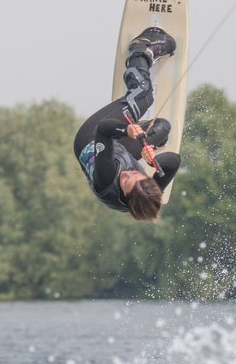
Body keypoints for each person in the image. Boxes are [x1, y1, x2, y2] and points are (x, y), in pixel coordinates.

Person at [73, 27, 181, 221]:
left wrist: (127, 130)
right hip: (120, 151)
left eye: (126, 181)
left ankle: (141, 50)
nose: (128, 175)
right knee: (162, 128)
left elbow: (104, 129)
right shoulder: (145, 192)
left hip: (91, 138)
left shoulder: (106, 178)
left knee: (144, 95)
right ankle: (150, 138)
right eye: (135, 175)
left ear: (126, 196)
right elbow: (173, 161)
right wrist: (151, 162)